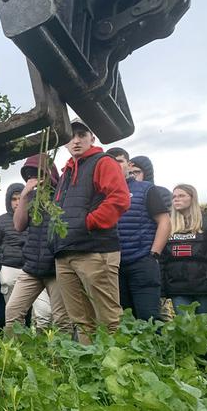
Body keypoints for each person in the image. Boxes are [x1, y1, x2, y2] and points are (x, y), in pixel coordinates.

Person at [52, 120, 130, 343]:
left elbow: (119, 199)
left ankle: (115, 369)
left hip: (95, 250)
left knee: (109, 318)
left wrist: (88, 223)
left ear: (92, 137)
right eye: (71, 136)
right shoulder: (66, 171)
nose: (76, 140)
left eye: (82, 134)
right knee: (81, 320)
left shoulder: (102, 162)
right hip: (66, 252)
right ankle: (89, 368)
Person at [5, 155, 72, 334]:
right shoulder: (31, 197)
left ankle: (61, 360)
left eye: (38, 174)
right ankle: (12, 356)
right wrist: (25, 196)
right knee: (12, 312)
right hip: (31, 268)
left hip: (55, 269)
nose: (34, 179)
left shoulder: (62, 195)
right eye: (30, 175)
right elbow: (18, 226)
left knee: (62, 319)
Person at [161, 184, 207, 366]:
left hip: (204, 287)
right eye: (174, 197)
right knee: (185, 329)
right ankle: (189, 368)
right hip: (178, 288)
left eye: (181, 195)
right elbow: (162, 259)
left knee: (204, 331)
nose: (176, 199)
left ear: (192, 198)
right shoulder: (169, 224)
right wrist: (164, 289)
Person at [108, 147, 171, 322]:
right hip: (114, 265)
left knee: (148, 319)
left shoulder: (146, 189)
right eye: (110, 162)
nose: (115, 165)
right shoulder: (103, 193)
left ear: (128, 164)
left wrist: (153, 254)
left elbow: (164, 221)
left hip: (142, 262)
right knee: (124, 321)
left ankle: (156, 350)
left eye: (119, 161)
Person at [0, 184, 26, 329]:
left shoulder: (33, 219)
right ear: (9, 201)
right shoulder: (0, 221)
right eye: (14, 199)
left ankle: (24, 348)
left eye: (20, 199)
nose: (16, 202)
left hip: (28, 273)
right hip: (5, 273)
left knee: (25, 315)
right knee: (2, 315)